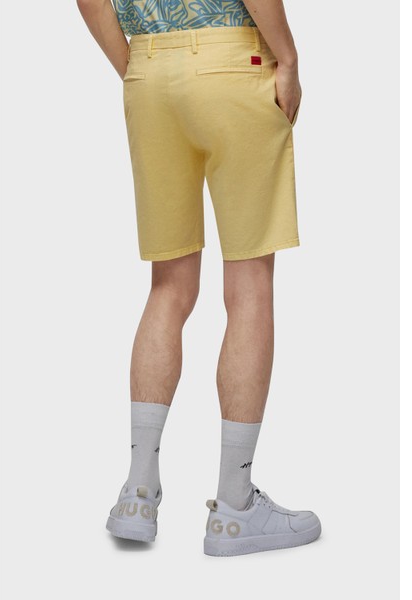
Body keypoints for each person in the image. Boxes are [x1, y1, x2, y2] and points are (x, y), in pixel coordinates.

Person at [77, 0, 321, 557]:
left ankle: (137, 494)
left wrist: (142, 67)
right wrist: (287, 58)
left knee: (169, 286)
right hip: (233, 63)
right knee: (250, 285)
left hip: (148, 74)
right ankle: (235, 507)